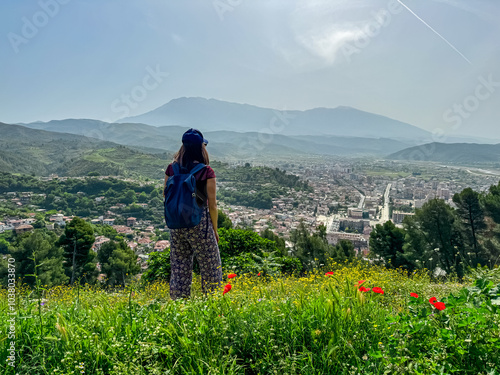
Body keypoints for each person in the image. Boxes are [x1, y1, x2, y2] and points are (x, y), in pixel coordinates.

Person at [164, 128, 222, 300]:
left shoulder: (171, 169)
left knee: (179, 268)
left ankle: (178, 307)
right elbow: (212, 205)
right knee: (211, 267)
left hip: (176, 224)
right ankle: (212, 306)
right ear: (201, 148)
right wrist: (215, 230)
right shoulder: (205, 171)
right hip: (199, 224)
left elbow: (165, 194)